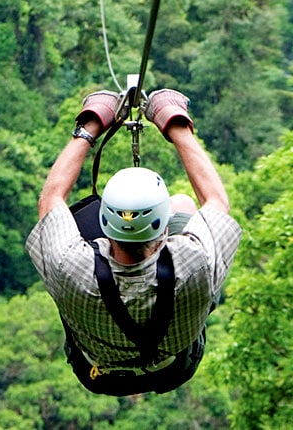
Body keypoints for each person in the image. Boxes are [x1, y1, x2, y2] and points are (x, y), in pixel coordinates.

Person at [25, 89, 241, 396]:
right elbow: (216, 201)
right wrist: (174, 122)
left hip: (98, 373)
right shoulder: (196, 263)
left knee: (68, 223)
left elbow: (51, 200)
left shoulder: (71, 266)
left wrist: (90, 127)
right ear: (164, 230)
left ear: (105, 224)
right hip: (173, 367)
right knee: (183, 202)